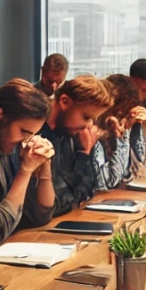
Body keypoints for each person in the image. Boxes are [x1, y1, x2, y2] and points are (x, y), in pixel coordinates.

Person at [0, 78, 56, 244]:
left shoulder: (1, 143)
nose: (25, 140)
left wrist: (43, 164)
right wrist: (25, 172)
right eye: (24, 131)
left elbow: (38, 216)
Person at [42, 75, 114, 216]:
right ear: (65, 102)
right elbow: (58, 203)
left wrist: (85, 152)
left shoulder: (69, 134)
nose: (87, 126)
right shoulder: (36, 136)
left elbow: (86, 192)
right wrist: (83, 155)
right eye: (86, 117)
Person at [98, 74, 146, 190]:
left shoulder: (124, 124)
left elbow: (141, 162)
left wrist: (142, 126)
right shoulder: (101, 131)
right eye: (121, 111)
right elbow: (111, 180)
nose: (124, 117)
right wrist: (123, 137)